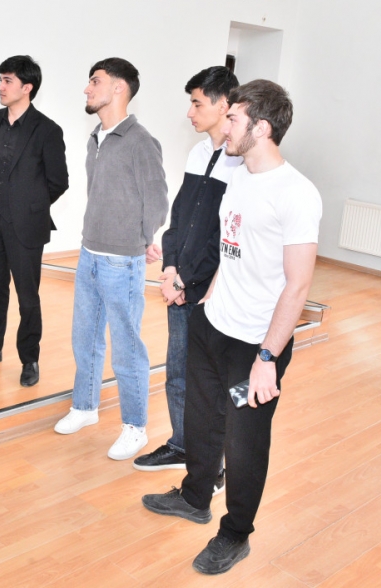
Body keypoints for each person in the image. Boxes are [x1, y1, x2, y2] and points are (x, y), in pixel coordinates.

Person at [141, 80, 322, 575]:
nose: (226, 126)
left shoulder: (297, 194)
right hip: (213, 324)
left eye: (235, 119)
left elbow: (298, 286)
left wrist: (267, 358)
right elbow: (231, 250)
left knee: (244, 443)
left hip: (255, 347)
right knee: (202, 419)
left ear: (261, 128)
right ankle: (194, 496)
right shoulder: (239, 176)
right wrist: (207, 302)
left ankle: (236, 533)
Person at [54, 58, 169, 461]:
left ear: (119, 88)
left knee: (126, 346)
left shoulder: (140, 141)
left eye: (95, 81)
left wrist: (142, 239)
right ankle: (85, 406)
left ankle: (135, 427)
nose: (87, 89)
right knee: (84, 336)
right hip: (89, 253)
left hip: (121, 260)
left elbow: (157, 200)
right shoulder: (95, 139)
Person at [134, 67, 240, 492]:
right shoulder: (199, 154)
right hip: (182, 283)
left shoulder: (241, 163)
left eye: (197, 103)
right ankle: (182, 445)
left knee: (207, 384)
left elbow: (222, 238)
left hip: (209, 291)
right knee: (177, 373)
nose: (190, 112)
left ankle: (211, 467)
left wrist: (186, 282)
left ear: (224, 105)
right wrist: (171, 268)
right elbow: (180, 218)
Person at [0, 56, 68, 386]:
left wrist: (29, 207)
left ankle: (29, 358)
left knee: (27, 297)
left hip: (26, 225)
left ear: (27, 87)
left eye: (7, 80)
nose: (0, 86)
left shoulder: (47, 130)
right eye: (0, 79)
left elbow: (59, 181)